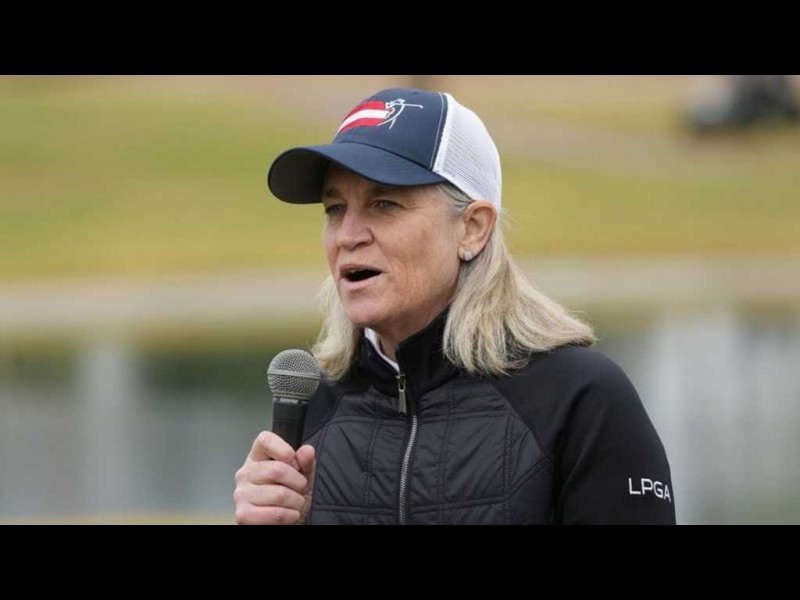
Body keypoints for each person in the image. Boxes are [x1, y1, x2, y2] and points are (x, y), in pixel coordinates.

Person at [233, 87, 676, 525]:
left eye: (384, 204)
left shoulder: (578, 397)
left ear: (472, 229)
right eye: (335, 208)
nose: (347, 235)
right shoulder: (316, 406)